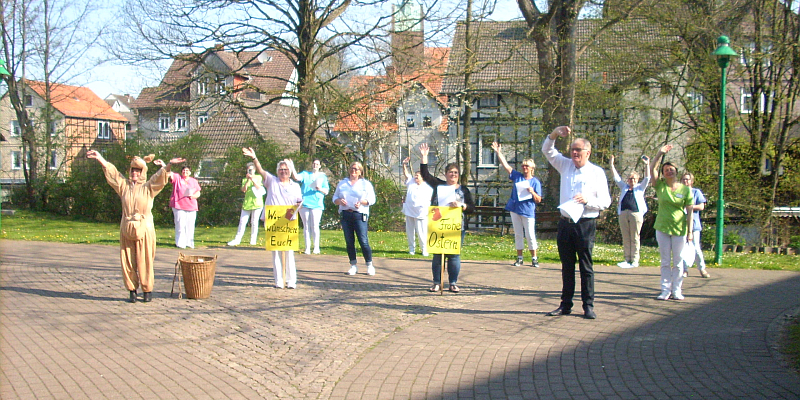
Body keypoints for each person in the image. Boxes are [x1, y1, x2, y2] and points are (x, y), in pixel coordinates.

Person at [86, 150, 185, 303]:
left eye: (138, 171)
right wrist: (100, 158)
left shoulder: (148, 187)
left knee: (145, 260)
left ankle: (147, 290)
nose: (134, 174)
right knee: (128, 260)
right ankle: (132, 290)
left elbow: (160, 177)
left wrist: (170, 164)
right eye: (133, 171)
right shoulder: (123, 187)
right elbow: (113, 174)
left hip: (145, 229)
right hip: (126, 228)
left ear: (142, 173)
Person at [542, 126, 611, 319]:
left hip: (585, 224)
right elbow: (547, 151)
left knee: (586, 266)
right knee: (567, 266)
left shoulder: (597, 173)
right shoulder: (565, 166)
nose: (574, 153)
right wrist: (555, 133)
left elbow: (606, 202)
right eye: (572, 149)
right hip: (565, 222)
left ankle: (588, 305)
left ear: (587, 153)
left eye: (578, 150)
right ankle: (565, 305)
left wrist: (588, 200)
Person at [418, 143, 475, 293]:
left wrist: (461, 206)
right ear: (446, 174)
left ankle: (453, 283)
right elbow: (425, 175)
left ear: (458, 175)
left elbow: (472, 208)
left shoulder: (464, 190)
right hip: (438, 225)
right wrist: (424, 157)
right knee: (438, 255)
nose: (453, 175)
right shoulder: (439, 186)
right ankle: (437, 282)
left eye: (456, 173)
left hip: (457, 227)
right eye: (450, 172)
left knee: (454, 255)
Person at [243, 148, 303, 288]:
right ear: (277, 171)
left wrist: (290, 213)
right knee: (276, 251)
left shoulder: (295, 186)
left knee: (289, 251)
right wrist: (254, 158)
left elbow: (299, 202)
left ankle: (291, 280)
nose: (283, 171)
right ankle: (279, 280)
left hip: (289, 220)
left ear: (290, 172)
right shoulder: (271, 181)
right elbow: (261, 170)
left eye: (286, 169)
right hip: (273, 220)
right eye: (281, 169)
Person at [650, 144, 694, 300]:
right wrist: (659, 154)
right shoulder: (660, 186)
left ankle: (677, 290)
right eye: (666, 169)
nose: (669, 171)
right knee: (665, 262)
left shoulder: (685, 190)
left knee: (678, 262)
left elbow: (690, 212)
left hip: (679, 229)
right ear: (663, 173)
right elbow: (652, 170)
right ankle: (665, 290)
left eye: (671, 169)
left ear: (676, 171)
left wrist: (690, 232)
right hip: (662, 227)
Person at [491, 142, 543, 267]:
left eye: (527, 166)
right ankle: (519, 257)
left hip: (528, 210)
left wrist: (532, 193)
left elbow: (539, 200)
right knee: (518, 234)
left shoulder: (535, 182)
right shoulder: (517, 176)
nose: (524, 168)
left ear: (532, 168)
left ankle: (534, 258)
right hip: (515, 209)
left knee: (530, 234)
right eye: (523, 166)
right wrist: (498, 153)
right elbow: (506, 166)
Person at [332, 161, 377, 276]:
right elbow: (335, 197)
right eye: (352, 168)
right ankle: (353, 265)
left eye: (356, 169)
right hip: (346, 214)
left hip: (359, 214)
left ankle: (369, 264)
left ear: (360, 171)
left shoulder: (365, 184)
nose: (354, 171)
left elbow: (372, 199)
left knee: (363, 240)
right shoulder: (342, 183)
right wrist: (339, 201)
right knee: (349, 241)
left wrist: (362, 202)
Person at [610, 154, 650, 269]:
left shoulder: (640, 188)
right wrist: (612, 164)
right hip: (623, 213)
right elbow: (616, 178)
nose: (631, 180)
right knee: (626, 237)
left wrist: (647, 165)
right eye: (630, 178)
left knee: (635, 237)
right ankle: (627, 259)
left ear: (637, 180)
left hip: (635, 214)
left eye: (634, 179)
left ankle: (635, 259)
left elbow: (647, 179)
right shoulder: (624, 187)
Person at [292, 159, 329, 254]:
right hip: (305, 203)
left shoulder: (323, 177)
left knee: (315, 225)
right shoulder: (305, 174)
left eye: (317, 164)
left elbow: (326, 191)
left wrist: (319, 189)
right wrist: (292, 166)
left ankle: (316, 247)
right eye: (314, 163)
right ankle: (307, 247)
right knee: (306, 226)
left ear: (320, 166)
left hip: (317, 203)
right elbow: (296, 177)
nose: (315, 165)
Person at [401, 157, 433, 257]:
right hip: (409, 211)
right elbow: (406, 174)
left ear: (422, 177)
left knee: (422, 233)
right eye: (415, 175)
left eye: (418, 176)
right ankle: (411, 248)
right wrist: (404, 164)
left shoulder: (427, 187)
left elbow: (429, 200)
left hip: (421, 213)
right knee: (410, 232)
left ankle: (424, 249)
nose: (416, 177)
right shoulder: (411, 183)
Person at [681, 172, 711, 278]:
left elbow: (701, 206)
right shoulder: (679, 193)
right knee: (682, 249)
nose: (685, 181)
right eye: (684, 179)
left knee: (696, 247)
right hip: (681, 225)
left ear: (691, 181)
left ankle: (702, 268)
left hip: (694, 225)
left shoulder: (696, 192)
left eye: (687, 179)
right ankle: (685, 269)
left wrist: (690, 207)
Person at [228, 163, 265, 246]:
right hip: (247, 203)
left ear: (255, 170)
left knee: (254, 222)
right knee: (242, 221)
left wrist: (253, 179)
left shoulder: (258, 177)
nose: (250, 171)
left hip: (257, 203)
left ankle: (253, 240)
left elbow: (259, 187)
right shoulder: (244, 179)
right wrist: (248, 180)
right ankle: (237, 239)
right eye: (249, 170)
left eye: (251, 169)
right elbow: (244, 190)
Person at [168, 165, 201, 249]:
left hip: (191, 206)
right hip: (179, 206)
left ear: (190, 172)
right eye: (183, 170)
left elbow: (198, 193)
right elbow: (169, 173)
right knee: (180, 225)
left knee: (190, 225)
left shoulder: (194, 181)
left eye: (187, 171)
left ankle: (189, 243)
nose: (185, 172)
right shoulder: (178, 178)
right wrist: (164, 164)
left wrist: (192, 196)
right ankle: (180, 243)